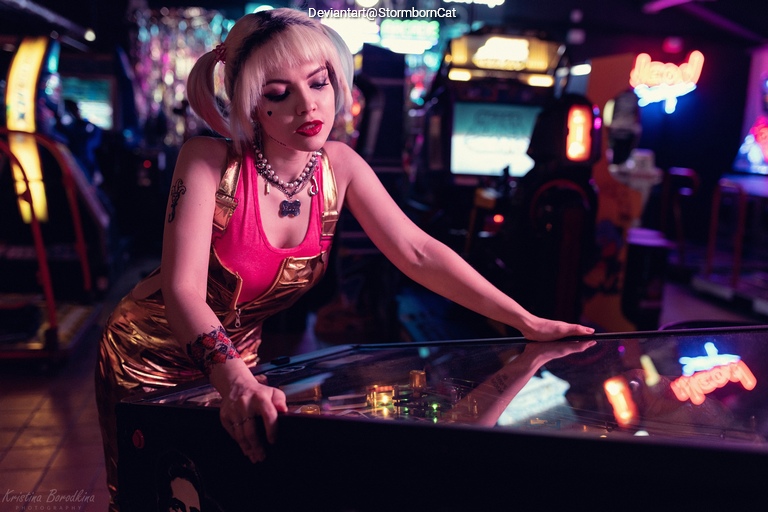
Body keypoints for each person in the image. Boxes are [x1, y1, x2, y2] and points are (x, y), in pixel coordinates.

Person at [95, 8, 594, 511]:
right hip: (150, 354)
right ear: (251, 104)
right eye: (277, 92)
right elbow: (183, 290)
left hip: (238, 362)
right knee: (154, 496)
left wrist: (525, 321)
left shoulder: (340, 166)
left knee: (227, 492)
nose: (307, 105)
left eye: (319, 83)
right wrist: (237, 381)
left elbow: (418, 252)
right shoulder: (206, 160)